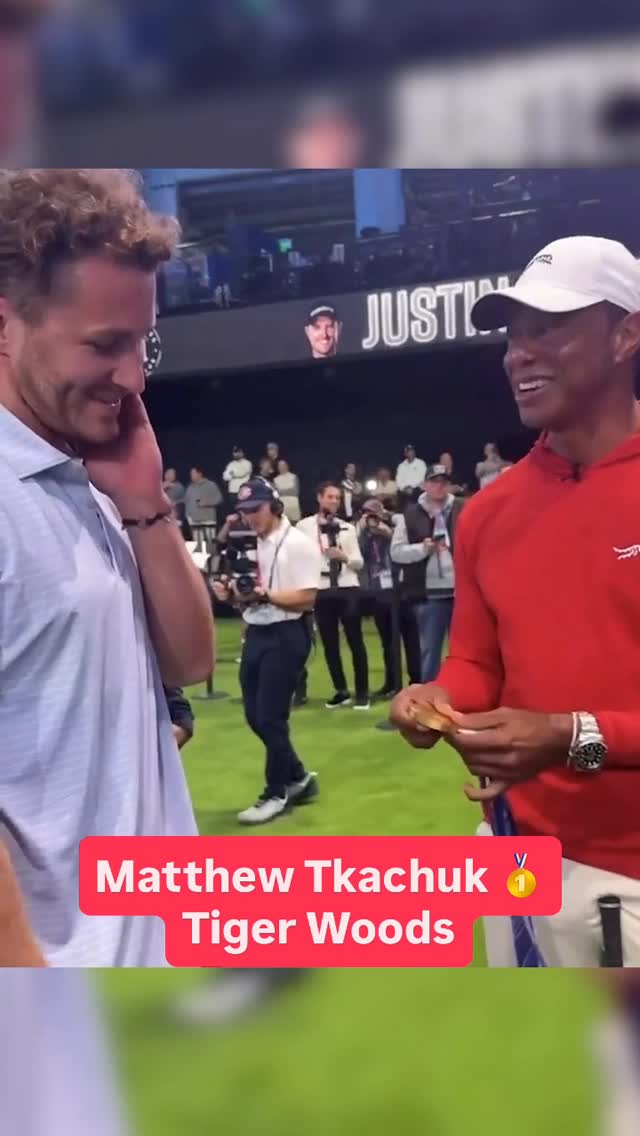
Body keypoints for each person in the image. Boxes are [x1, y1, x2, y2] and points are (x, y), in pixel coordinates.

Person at [391, 234, 640, 967]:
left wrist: (570, 736)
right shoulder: (489, 514)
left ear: (625, 335)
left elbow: (565, 733)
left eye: (549, 329)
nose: (518, 355)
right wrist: (437, 700)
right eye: (512, 336)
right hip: (513, 853)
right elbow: (475, 661)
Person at [0, 167, 212, 966]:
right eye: (104, 344)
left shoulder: (86, 473)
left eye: (141, 342)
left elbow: (189, 662)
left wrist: (145, 505)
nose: (134, 377)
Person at [213, 478, 321, 824]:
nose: (250, 517)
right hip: (257, 631)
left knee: (272, 717)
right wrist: (232, 595)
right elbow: (248, 594)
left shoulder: (299, 544)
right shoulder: (250, 545)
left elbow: (307, 598)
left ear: (274, 506)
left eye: (256, 509)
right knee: (254, 716)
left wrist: (266, 596)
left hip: (288, 633)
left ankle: (276, 792)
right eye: (245, 511)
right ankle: (298, 776)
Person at [298, 482, 369, 709]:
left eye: (337, 498)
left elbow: (359, 562)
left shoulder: (347, 528)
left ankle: (362, 693)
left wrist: (344, 557)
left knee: (355, 641)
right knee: (329, 644)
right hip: (321, 588)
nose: (334, 501)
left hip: (347, 587)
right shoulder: (304, 527)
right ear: (319, 498)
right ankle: (341, 690)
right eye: (330, 497)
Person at [391, 465, 464, 682]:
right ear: (424, 485)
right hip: (428, 594)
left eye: (444, 481)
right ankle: (429, 697)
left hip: (462, 593)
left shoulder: (463, 508)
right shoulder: (410, 515)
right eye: (434, 481)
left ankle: (464, 694)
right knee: (430, 653)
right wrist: (422, 549)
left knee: (465, 652)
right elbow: (396, 553)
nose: (439, 486)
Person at [357, 499, 421, 696]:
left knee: (411, 640)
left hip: (402, 591)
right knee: (387, 642)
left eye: (375, 513)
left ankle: (416, 681)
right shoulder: (365, 535)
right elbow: (359, 557)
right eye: (368, 514)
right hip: (379, 592)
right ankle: (391, 682)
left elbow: (404, 553)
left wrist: (389, 534)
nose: (372, 518)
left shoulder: (397, 527)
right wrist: (361, 531)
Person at [185, 465, 223, 552]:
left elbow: (219, 499)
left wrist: (206, 503)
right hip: (194, 521)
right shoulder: (190, 487)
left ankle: (212, 559)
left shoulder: (211, 485)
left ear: (199, 474)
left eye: (193, 474)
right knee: (197, 544)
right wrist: (188, 516)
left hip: (208, 520)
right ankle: (200, 560)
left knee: (211, 543)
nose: (191, 476)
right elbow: (187, 502)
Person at [274, 457, 301, 523]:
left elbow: (296, 492)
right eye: (280, 465)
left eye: (283, 465)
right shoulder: (275, 479)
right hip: (283, 509)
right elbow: (277, 494)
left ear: (287, 466)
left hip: (294, 507)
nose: (282, 467)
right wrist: (289, 490)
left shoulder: (293, 477)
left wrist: (282, 491)